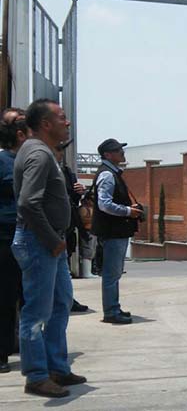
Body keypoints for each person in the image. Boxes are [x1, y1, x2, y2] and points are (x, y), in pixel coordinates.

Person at [12, 99, 86, 398]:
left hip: (48, 241)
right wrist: (52, 240)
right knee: (37, 312)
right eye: (62, 118)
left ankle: (57, 367)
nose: (67, 123)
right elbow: (28, 203)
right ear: (46, 124)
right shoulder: (39, 155)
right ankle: (37, 376)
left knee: (60, 304)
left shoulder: (39, 151)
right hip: (40, 242)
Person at [91, 138, 142, 325]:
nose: (122, 153)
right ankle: (111, 312)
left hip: (116, 232)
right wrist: (129, 211)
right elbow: (104, 204)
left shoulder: (112, 173)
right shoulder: (107, 175)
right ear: (107, 154)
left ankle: (114, 307)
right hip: (112, 232)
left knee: (114, 273)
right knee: (111, 274)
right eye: (118, 150)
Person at [0, 108, 29, 374]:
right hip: (5, 238)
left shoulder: (30, 161)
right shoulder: (2, 162)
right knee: (5, 296)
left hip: (29, 237)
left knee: (27, 295)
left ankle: (21, 344)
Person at [53, 140, 89, 313]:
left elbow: (74, 200)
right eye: (59, 149)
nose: (61, 153)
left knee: (64, 267)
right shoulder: (43, 168)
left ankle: (67, 298)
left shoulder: (67, 171)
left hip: (67, 227)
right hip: (51, 230)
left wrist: (80, 192)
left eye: (62, 150)